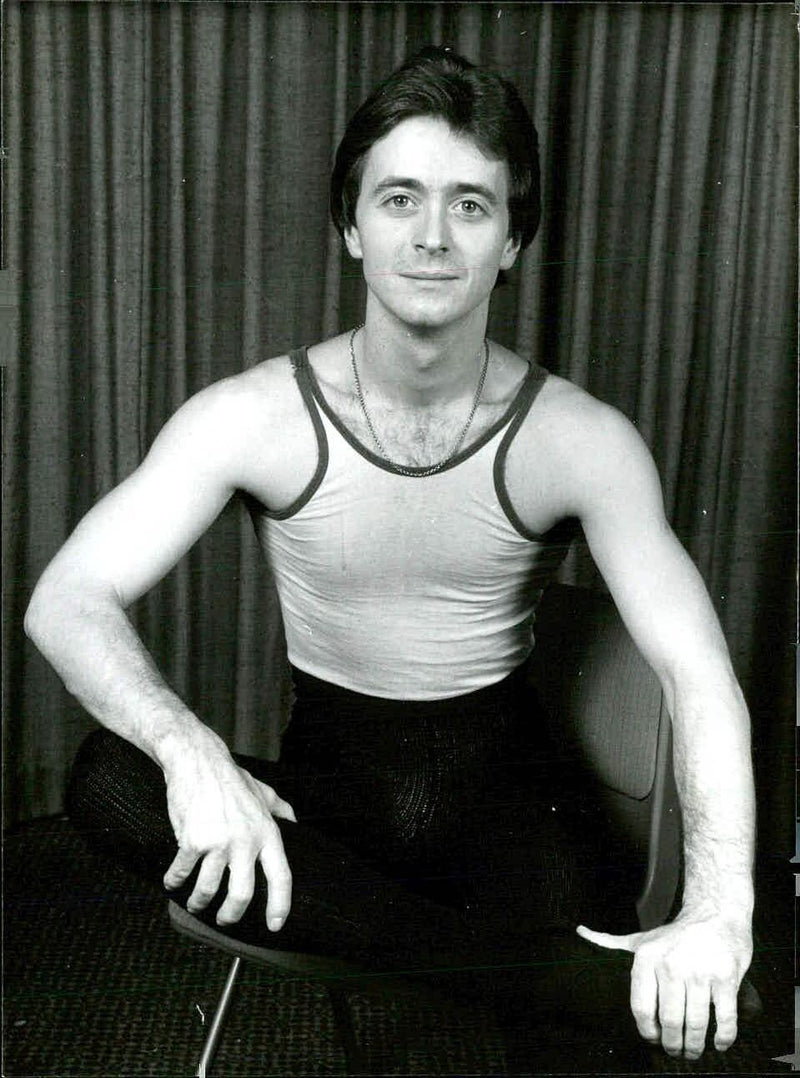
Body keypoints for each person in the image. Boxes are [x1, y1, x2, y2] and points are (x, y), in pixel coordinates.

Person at [25, 46, 755, 1069]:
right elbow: (66, 597)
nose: (429, 236)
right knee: (113, 775)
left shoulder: (579, 440)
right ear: (350, 227)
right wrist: (189, 751)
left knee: (554, 896)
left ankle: (516, 967)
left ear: (510, 242)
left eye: (469, 205)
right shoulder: (250, 416)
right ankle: (555, 979)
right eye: (399, 197)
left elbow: (699, 670)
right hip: (329, 810)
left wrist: (722, 909)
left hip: (504, 805)